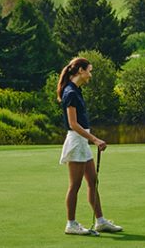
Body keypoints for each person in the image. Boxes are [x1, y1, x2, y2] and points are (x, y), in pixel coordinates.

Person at [58, 57, 123, 235]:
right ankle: (71, 224)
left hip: (81, 141)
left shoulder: (76, 90)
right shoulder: (70, 92)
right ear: (80, 70)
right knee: (75, 185)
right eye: (89, 70)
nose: (90, 74)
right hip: (76, 141)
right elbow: (73, 124)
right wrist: (95, 139)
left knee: (92, 181)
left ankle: (100, 221)